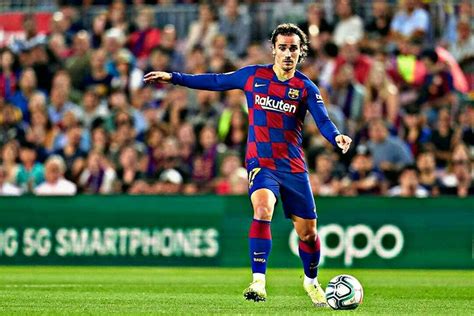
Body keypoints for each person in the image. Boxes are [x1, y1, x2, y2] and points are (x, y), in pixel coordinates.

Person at [144, 23, 352, 307]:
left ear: (301, 52)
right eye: (283, 48)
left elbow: (323, 120)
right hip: (261, 162)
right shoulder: (254, 76)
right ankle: (258, 281)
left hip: (292, 167)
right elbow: (215, 81)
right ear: (274, 50)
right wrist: (174, 77)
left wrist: (336, 136)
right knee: (263, 208)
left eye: (293, 48)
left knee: (308, 232)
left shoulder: (305, 87)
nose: (288, 53)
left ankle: (311, 281)